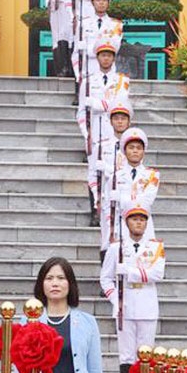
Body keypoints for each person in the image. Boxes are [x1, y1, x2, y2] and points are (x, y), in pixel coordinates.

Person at [100, 202, 165, 373]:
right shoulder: (115, 248)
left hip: (147, 305)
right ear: (127, 222)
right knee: (127, 355)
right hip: (124, 307)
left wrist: (129, 271)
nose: (139, 223)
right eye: (135, 219)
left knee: (145, 354)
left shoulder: (155, 248)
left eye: (142, 219)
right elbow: (105, 279)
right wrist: (115, 301)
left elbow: (157, 274)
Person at [77, 38, 130, 225]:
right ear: (97, 58)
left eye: (109, 55)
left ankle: (116, 211)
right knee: (94, 173)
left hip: (116, 134)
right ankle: (95, 210)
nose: (106, 59)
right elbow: (81, 112)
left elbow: (120, 104)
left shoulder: (122, 81)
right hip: (95, 136)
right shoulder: (89, 81)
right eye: (103, 55)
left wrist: (99, 104)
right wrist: (86, 134)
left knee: (116, 171)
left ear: (114, 58)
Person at [107, 127, 159, 244]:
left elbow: (145, 201)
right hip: (120, 224)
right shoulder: (115, 176)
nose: (135, 151)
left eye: (139, 148)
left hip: (142, 224)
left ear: (143, 151)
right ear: (124, 151)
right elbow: (108, 207)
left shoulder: (152, 175)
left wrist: (121, 198)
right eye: (131, 147)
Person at [99, 102, 133, 258]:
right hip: (108, 197)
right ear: (111, 121)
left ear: (129, 122)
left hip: (127, 198)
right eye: (116, 118)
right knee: (108, 238)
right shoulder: (104, 145)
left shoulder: (134, 147)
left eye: (123, 119)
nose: (120, 122)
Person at [74, 0, 123, 79]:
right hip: (87, 69)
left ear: (108, 3)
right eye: (98, 0)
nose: (101, 3)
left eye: (104, 0)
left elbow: (114, 47)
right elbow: (76, 51)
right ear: (92, 3)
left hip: (107, 70)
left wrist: (90, 49)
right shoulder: (83, 24)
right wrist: (78, 73)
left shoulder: (116, 25)